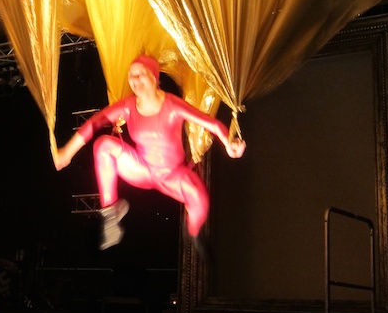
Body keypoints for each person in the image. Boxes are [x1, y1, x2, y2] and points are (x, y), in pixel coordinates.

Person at [53, 54, 246, 250]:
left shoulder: (172, 105)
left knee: (199, 197)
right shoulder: (128, 107)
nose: (134, 79)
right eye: (131, 75)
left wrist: (228, 143)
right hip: (143, 170)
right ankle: (110, 214)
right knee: (103, 146)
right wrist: (67, 153)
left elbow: (211, 124)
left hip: (172, 175)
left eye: (140, 74)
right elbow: (95, 123)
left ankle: (195, 233)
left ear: (154, 77)